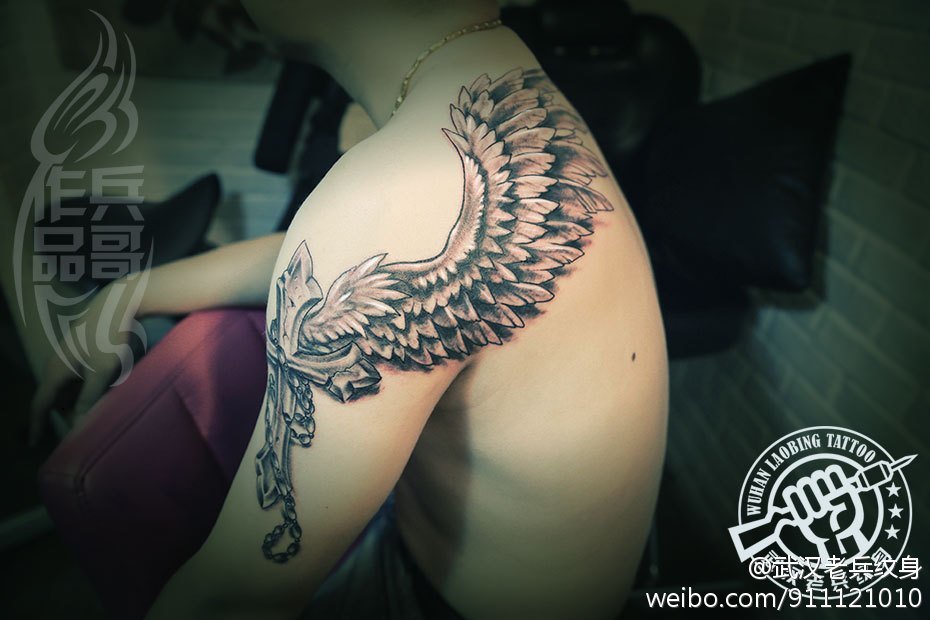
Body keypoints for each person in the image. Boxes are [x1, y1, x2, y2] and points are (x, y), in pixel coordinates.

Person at [34, 0, 668, 617]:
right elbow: (339, 257)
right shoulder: (501, 84)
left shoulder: (404, 188)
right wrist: (132, 291)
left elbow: (238, 595)